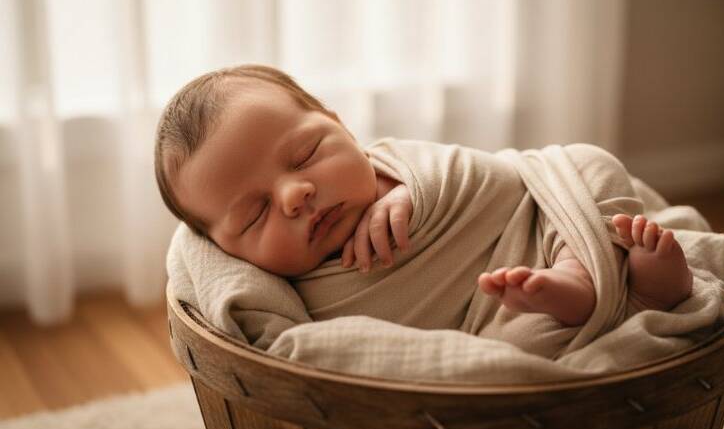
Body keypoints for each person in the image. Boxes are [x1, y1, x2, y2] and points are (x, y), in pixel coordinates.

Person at [155, 65, 692, 329]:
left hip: (528, 226)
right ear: (226, 250)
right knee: (517, 345)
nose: (296, 194)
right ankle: (625, 305)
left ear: (341, 127)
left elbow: (502, 182)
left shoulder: (399, 168)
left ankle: (591, 271)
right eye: (256, 214)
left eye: (305, 155)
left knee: (586, 164)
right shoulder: (284, 297)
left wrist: (417, 191)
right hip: (498, 317)